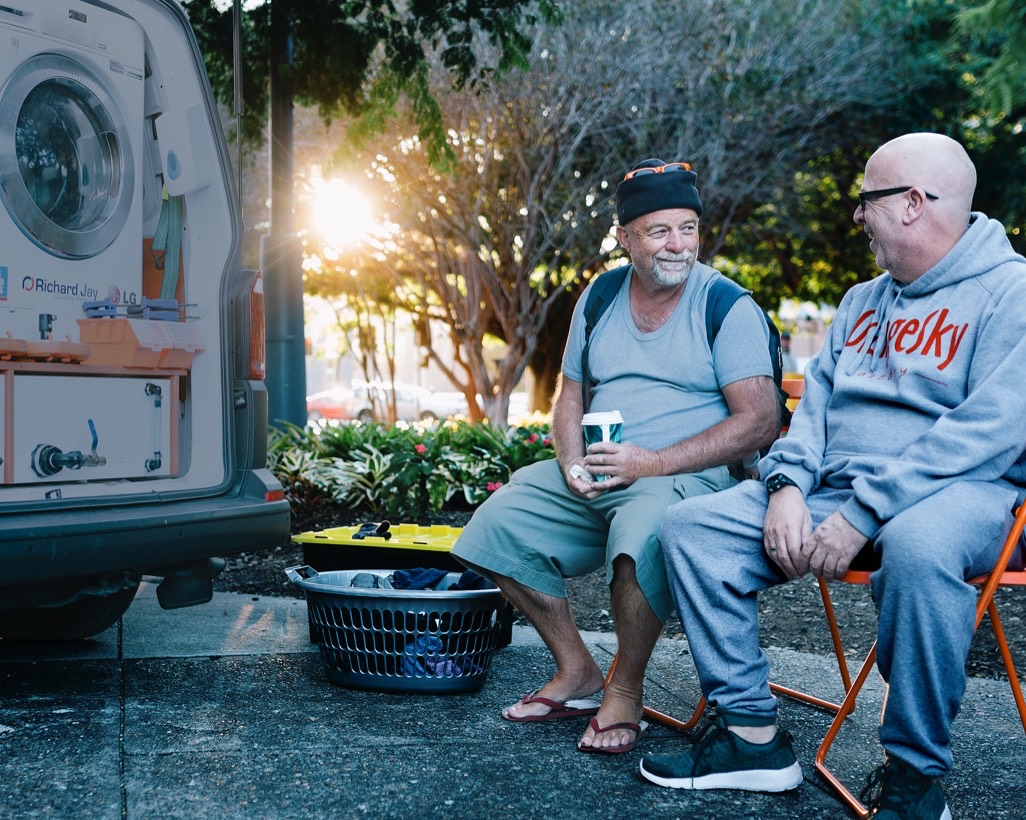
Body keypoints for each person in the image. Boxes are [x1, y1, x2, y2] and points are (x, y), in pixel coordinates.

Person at [642, 133, 1026, 818]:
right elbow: (814, 413)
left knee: (919, 543)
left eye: (866, 200)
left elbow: (985, 435)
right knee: (691, 527)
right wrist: (785, 486)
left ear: (912, 205)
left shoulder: (1012, 293)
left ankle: (914, 779)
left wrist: (864, 512)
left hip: (963, 492)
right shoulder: (859, 301)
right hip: (836, 493)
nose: (856, 216)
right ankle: (753, 739)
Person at [451, 158, 781, 753]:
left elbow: (760, 421)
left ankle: (624, 692)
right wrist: (572, 460)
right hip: (603, 468)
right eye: (659, 232)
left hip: (685, 478)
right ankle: (577, 670)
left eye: (688, 228)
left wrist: (651, 463)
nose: (678, 244)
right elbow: (570, 393)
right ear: (625, 238)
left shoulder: (726, 306)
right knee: (493, 527)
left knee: (641, 533)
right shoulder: (599, 296)